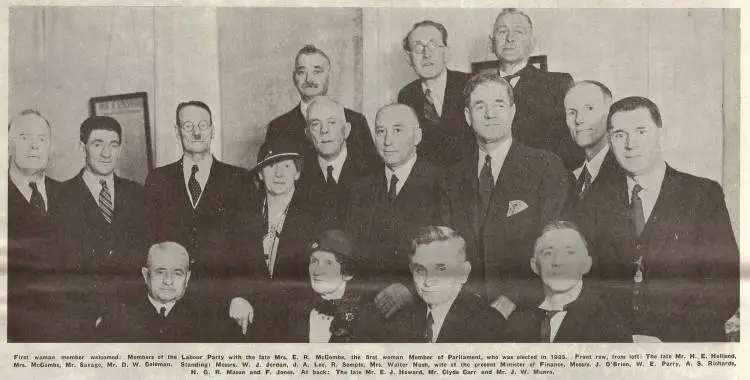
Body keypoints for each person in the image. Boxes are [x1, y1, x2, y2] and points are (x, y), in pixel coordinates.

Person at [574, 96, 739, 342]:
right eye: (620, 134)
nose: (631, 144)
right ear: (610, 140)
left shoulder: (703, 195)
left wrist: (666, 340)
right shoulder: (595, 201)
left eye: (641, 131)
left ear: (660, 132)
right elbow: (586, 285)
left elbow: (727, 286)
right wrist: (624, 339)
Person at [438, 73, 571, 319]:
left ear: (512, 111)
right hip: (467, 312)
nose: (490, 114)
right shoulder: (452, 177)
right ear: (468, 116)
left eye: (499, 105)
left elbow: (554, 245)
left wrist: (513, 297)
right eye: (480, 106)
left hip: (529, 310)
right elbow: (448, 250)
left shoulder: (545, 166)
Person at [345, 103, 442, 318]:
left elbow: (451, 258)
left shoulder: (441, 183)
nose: (388, 141)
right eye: (380, 131)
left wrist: (411, 288)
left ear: (417, 136)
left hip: (421, 311)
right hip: (366, 312)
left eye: (398, 130)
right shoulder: (360, 189)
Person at [144, 101, 254, 276]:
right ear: (177, 131)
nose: (196, 133)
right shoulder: (158, 179)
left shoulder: (240, 179)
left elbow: (249, 248)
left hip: (222, 291)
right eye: (188, 126)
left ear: (212, 130)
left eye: (203, 125)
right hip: (172, 292)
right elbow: (149, 242)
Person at [229, 230, 385, 342]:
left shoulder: (368, 319)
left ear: (348, 274)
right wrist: (238, 300)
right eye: (314, 261)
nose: (317, 271)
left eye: (328, 263)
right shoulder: (291, 307)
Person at [56, 116, 151, 274]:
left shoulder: (137, 193)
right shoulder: (61, 196)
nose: (106, 153)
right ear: (82, 148)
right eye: (97, 144)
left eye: (113, 145)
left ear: (119, 150)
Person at [507, 221, 631, 342]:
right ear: (534, 266)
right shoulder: (516, 321)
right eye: (548, 253)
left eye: (569, 253)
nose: (558, 261)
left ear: (586, 264)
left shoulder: (609, 325)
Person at [490, 8, 582, 170]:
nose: (510, 38)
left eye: (518, 32)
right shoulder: (478, 88)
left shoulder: (558, 83)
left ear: (532, 43)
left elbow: (574, 148)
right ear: (492, 43)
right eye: (502, 31)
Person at [264, 44, 380, 170]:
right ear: (294, 78)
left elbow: (374, 174)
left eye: (317, 71)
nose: (309, 79)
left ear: (329, 76)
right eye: (302, 72)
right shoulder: (278, 127)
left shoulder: (355, 121)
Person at [388, 226, 507, 342]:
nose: (428, 281)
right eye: (419, 270)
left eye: (439, 269)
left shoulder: (488, 324)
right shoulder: (402, 318)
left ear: (463, 273)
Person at [96, 242, 230, 342]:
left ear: (187, 278)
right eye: (160, 272)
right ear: (145, 274)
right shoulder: (118, 318)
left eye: (177, 274)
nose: (168, 281)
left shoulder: (206, 320)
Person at [7, 109, 63, 341]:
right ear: (8, 146)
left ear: (51, 149)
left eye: (41, 139)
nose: (34, 146)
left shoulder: (69, 193)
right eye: (24, 138)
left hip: (66, 328)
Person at [397, 20, 475, 167]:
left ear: (446, 53)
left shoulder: (469, 84)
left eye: (433, 45)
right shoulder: (406, 95)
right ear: (409, 58)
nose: (426, 54)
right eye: (418, 47)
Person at [297, 96, 378, 229]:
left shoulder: (372, 173)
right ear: (308, 134)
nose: (324, 130)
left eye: (332, 122)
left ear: (346, 130)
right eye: (315, 124)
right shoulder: (297, 176)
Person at [564, 80, 620, 201]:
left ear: (609, 114)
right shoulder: (573, 178)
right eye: (572, 112)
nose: (579, 120)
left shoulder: (626, 171)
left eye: (589, 108)